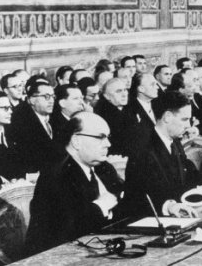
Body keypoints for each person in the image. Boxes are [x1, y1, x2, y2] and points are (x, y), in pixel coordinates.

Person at [26, 112, 124, 255]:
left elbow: (124, 203)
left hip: (98, 250)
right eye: (100, 137)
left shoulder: (104, 168)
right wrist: (101, 206)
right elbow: (66, 228)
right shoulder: (57, 175)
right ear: (76, 141)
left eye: (108, 138)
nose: (108, 144)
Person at [122, 92, 201, 218]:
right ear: (167, 117)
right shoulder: (142, 147)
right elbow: (140, 196)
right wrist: (169, 206)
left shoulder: (174, 141)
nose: (188, 125)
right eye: (185, 119)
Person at [10, 81, 64, 172]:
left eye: (53, 96)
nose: (51, 101)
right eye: (46, 97)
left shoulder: (55, 118)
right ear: (32, 100)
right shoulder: (22, 123)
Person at [94, 78, 132, 156]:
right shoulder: (102, 116)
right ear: (107, 96)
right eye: (118, 91)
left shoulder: (131, 108)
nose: (124, 94)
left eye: (125, 90)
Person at [124, 73, 159, 147]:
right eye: (152, 84)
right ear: (140, 89)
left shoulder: (159, 105)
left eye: (156, 84)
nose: (157, 87)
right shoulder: (130, 110)